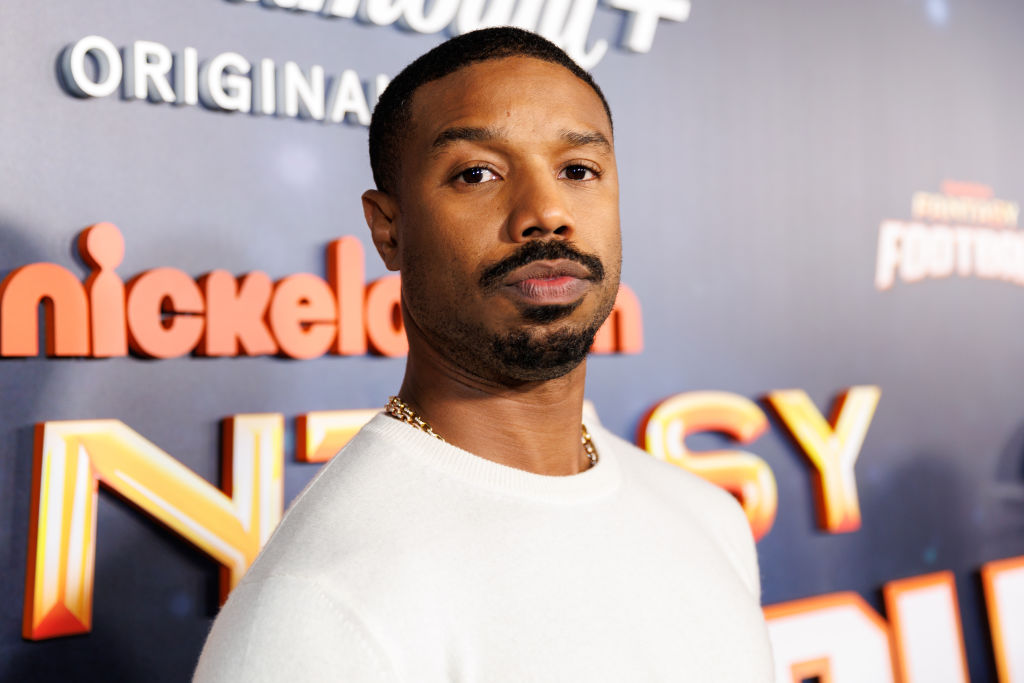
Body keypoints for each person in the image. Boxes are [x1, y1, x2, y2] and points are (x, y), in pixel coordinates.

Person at [194, 27, 774, 682]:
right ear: (388, 229)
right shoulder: (316, 613)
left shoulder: (708, 516)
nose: (546, 212)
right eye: (477, 174)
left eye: (578, 170)